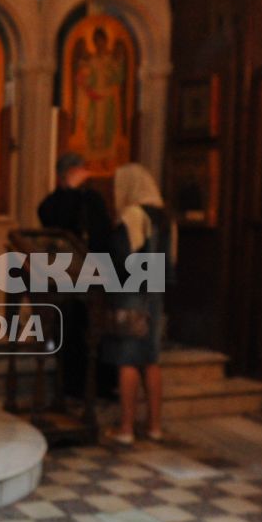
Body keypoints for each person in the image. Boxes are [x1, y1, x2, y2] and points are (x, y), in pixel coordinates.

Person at [102, 162, 171, 445]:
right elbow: (170, 261)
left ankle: (126, 429)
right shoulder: (165, 216)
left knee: (127, 358)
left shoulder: (133, 214)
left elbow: (121, 257)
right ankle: (154, 426)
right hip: (156, 290)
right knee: (151, 360)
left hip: (132, 290)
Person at [37, 152, 111, 399]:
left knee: (91, 332)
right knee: (66, 331)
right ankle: (69, 386)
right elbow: (53, 218)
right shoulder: (52, 202)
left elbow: (102, 233)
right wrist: (69, 191)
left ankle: (96, 387)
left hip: (93, 276)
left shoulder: (92, 200)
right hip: (63, 278)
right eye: (78, 171)